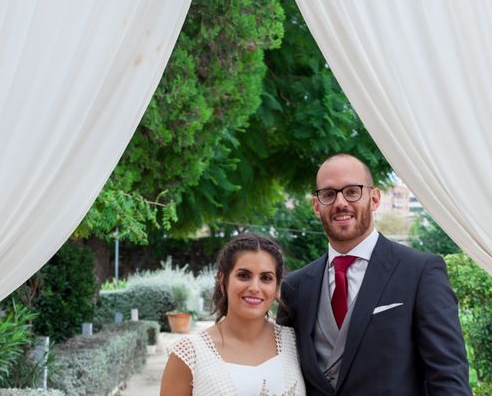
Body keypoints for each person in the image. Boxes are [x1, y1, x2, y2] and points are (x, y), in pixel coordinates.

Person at [278, 154, 472, 395]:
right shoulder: (295, 287)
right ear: (317, 206)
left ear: (374, 198)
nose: (340, 202)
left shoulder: (420, 272)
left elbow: (448, 378)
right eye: (328, 194)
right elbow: (281, 371)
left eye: (352, 191)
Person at [160, 233, 306, 396]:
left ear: (277, 287)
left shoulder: (295, 342)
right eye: (244, 275)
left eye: (266, 278)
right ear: (223, 280)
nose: (255, 287)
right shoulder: (189, 354)